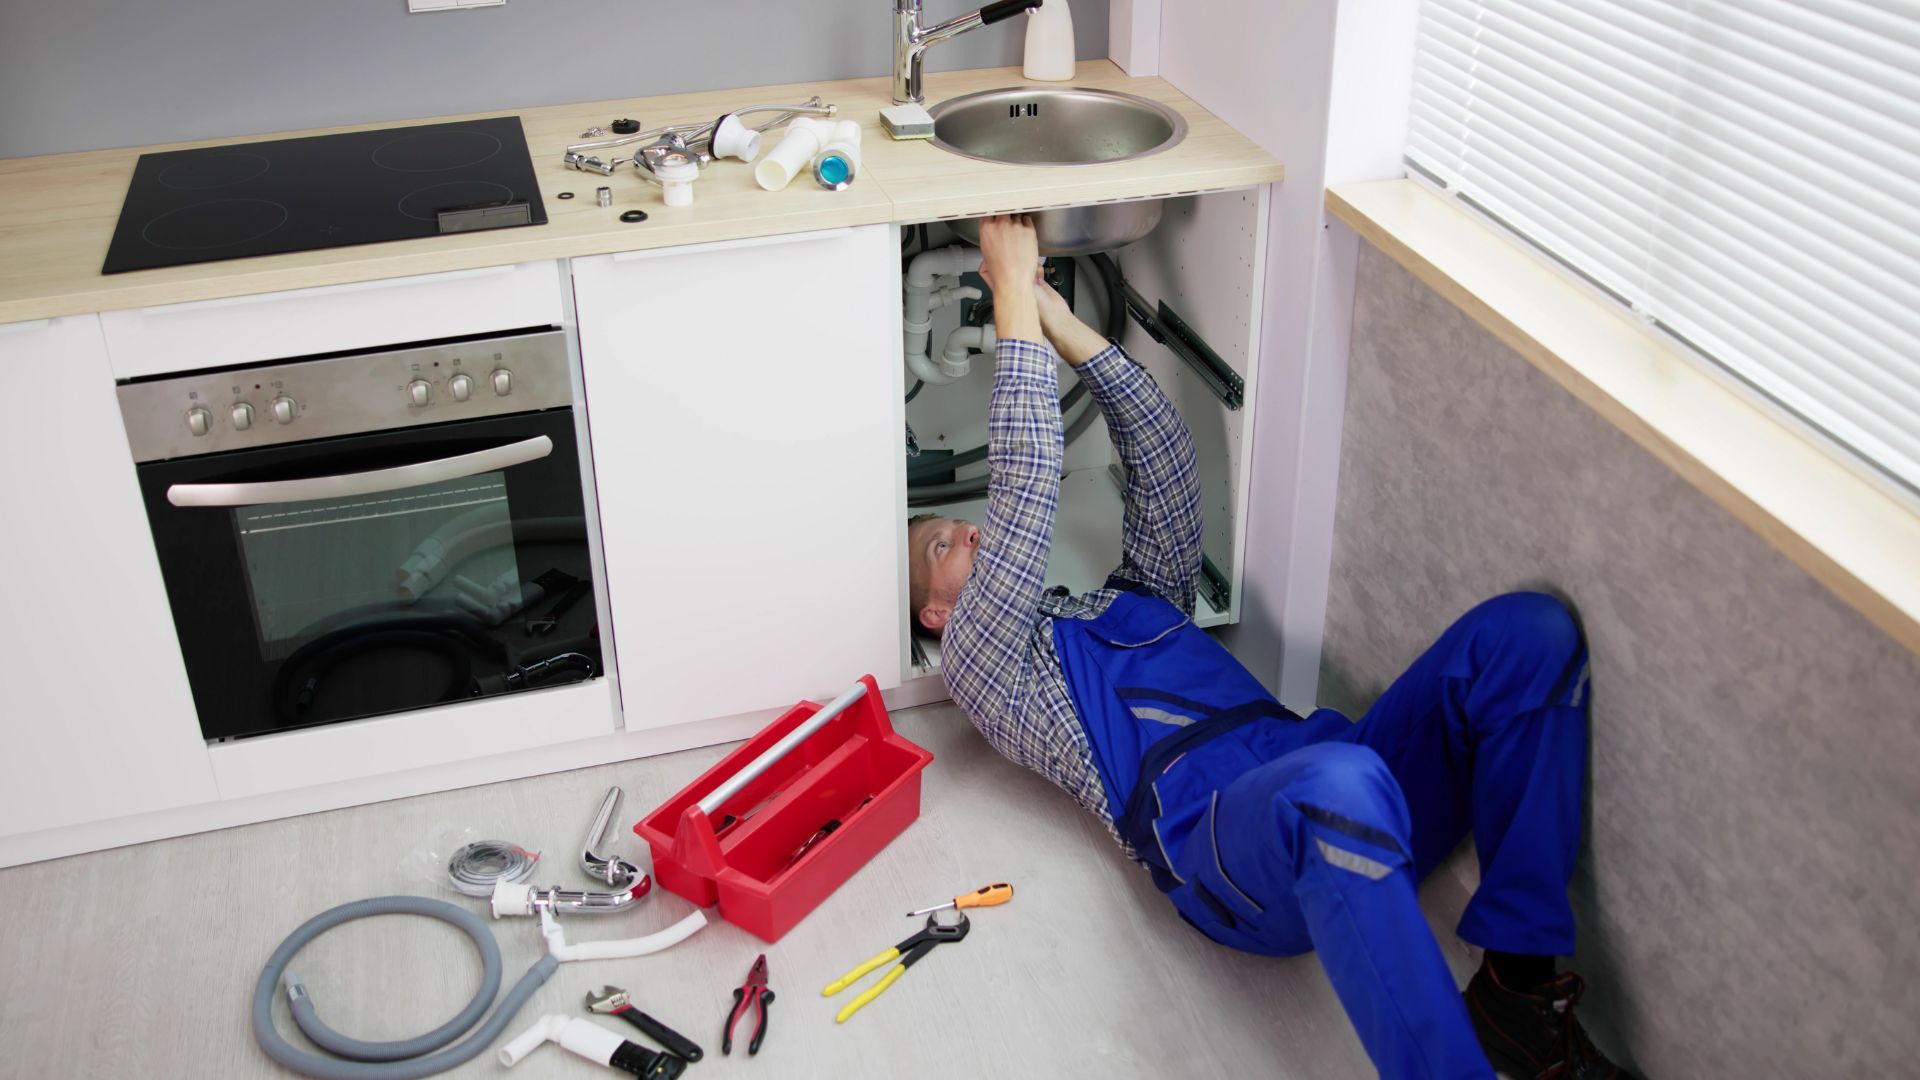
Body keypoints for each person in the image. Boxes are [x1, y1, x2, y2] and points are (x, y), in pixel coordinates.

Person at [908, 215, 1634, 1080]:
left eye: (961, 524)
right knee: (1338, 786)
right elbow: (1027, 489)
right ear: (935, 614)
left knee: (1528, 637)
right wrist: (1008, 292)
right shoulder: (990, 671)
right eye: (942, 544)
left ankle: (1518, 992)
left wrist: (1060, 323)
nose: (972, 533)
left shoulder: (1131, 598)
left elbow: (1166, 458)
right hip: (1223, 843)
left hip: (1319, 766)